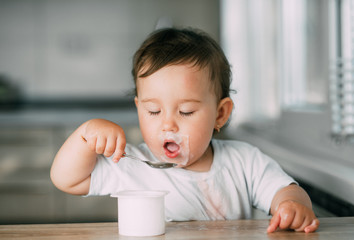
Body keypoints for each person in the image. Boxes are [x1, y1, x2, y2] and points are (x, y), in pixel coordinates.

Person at [50, 28, 319, 233]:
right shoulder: (132, 165)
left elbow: (286, 190)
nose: (168, 124)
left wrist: (292, 207)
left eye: (186, 111)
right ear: (138, 108)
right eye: (153, 111)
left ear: (220, 114)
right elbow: (66, 179)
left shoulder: (244, 161)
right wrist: (85, 135)